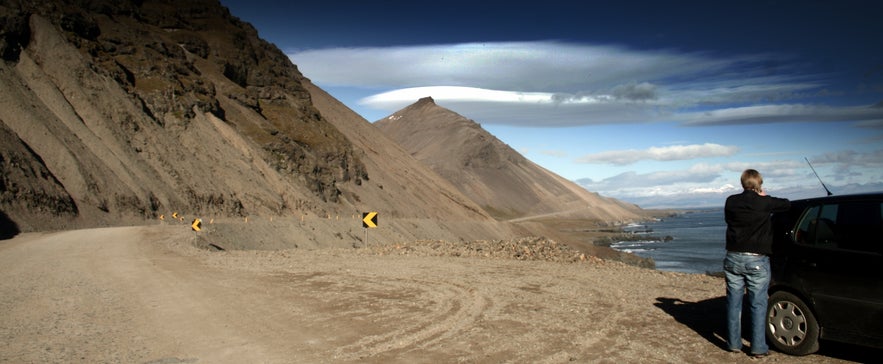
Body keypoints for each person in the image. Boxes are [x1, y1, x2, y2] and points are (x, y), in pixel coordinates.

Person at [723, 169, 790, 357]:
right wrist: (764, 196)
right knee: (758, 304)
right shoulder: (765, 202)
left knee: (733, 302)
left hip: (733, 257)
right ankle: (758, 347)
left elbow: (729, 219)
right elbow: (786, 205)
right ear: (759, 183)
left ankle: (733, 343)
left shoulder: (731, 201)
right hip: (756, 259)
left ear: (743, 183)